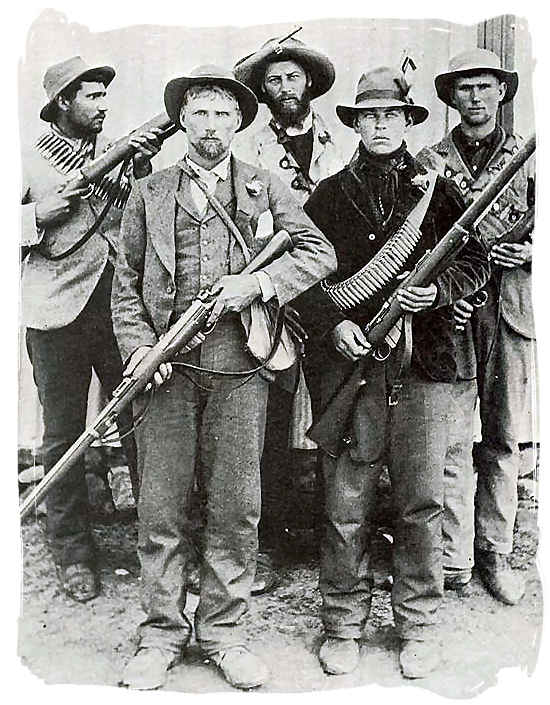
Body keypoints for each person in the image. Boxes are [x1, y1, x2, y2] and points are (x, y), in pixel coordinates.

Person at [113, 65, 336, 691]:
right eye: (199, 113)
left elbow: (319, 253)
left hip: (241, 370)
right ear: (183, 121)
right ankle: (160, 633)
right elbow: (126, 284)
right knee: (160, 508)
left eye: (222, 114)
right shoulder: (149, 191)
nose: (210, 126)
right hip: (167, 373)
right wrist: (137, 351)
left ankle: (223, 633)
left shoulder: (267, 187)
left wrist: (257, 284)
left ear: (240, 122)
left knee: (237, 509)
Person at [296, 66, 490, 679]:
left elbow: (477, 264)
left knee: (421, 502)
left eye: (391, 116)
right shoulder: (327, 195)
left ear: (408, 122)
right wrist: (335, 327)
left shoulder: (442, 190)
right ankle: (342, 622)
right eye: (369, 116)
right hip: (353, 371)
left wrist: (435, 298)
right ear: (355, 124)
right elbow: (302, 281)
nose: (381, 125)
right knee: (346, 501)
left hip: (428, 367)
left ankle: (420, 624)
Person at [21, 56, 162, 603]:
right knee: (62, 437)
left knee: (141, 426)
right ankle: (72, 553)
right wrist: (37, 216)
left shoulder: (117, 156)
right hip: (56, 311)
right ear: (63, 103)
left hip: (117, 307)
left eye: (105, 96)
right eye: (91, 97)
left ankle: (159, 546)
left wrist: (142, 171)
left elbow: (136, 218)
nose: (103, 106)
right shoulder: (27, 159)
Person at [417, 49, 535, 604]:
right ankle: (453, 557)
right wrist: (443, 300)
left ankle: (496, 552)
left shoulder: (530, 159)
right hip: (454, 318)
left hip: (508, 312)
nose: (475, 98)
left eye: (485, 87)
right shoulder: (429, 161)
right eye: (464, 89)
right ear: (451, 98)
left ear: (502, 93)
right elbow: (415, 244)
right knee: (451, 443)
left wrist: (531, 250)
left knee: (503, 436)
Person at [233, 34, 344, 552]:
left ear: (310, 84)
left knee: (334, 408)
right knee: (273, 420)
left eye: (292, 78)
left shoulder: (339, 145)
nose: (284, 88)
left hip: (334, 296)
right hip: (272, 296)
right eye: (273, 80)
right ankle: (272, 534)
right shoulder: (246, 148)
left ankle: (332, 533)